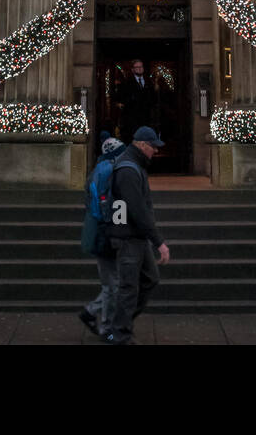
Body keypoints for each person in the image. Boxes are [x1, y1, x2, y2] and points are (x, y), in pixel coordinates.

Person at [103, 126, 170, 345]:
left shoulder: (133, 165)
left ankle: (119, 325)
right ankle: (119, 334)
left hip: (136, 236)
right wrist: (159, 241)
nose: (156, 152)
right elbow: (138, 210)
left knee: (150, 279)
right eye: (153, 147)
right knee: (129, 288)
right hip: (129, 237)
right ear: (142, 145)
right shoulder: (128, 170)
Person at [80, 135, 126, 337]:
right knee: (112, 285)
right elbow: (113, 206)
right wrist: (120, 228)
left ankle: (91, 312)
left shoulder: (97, 171)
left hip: (99, 231)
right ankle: (106, 328)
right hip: (106, 233)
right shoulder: (111, 172)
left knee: (111, 282)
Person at [120, 59, 155, 139]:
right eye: (137, 67)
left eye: (141, 66)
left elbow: (153, 99)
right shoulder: (127, 83)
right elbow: (123, 99)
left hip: (146, 119)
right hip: (132, 120)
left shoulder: (149, 82)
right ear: (132, 69)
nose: (139, 68)